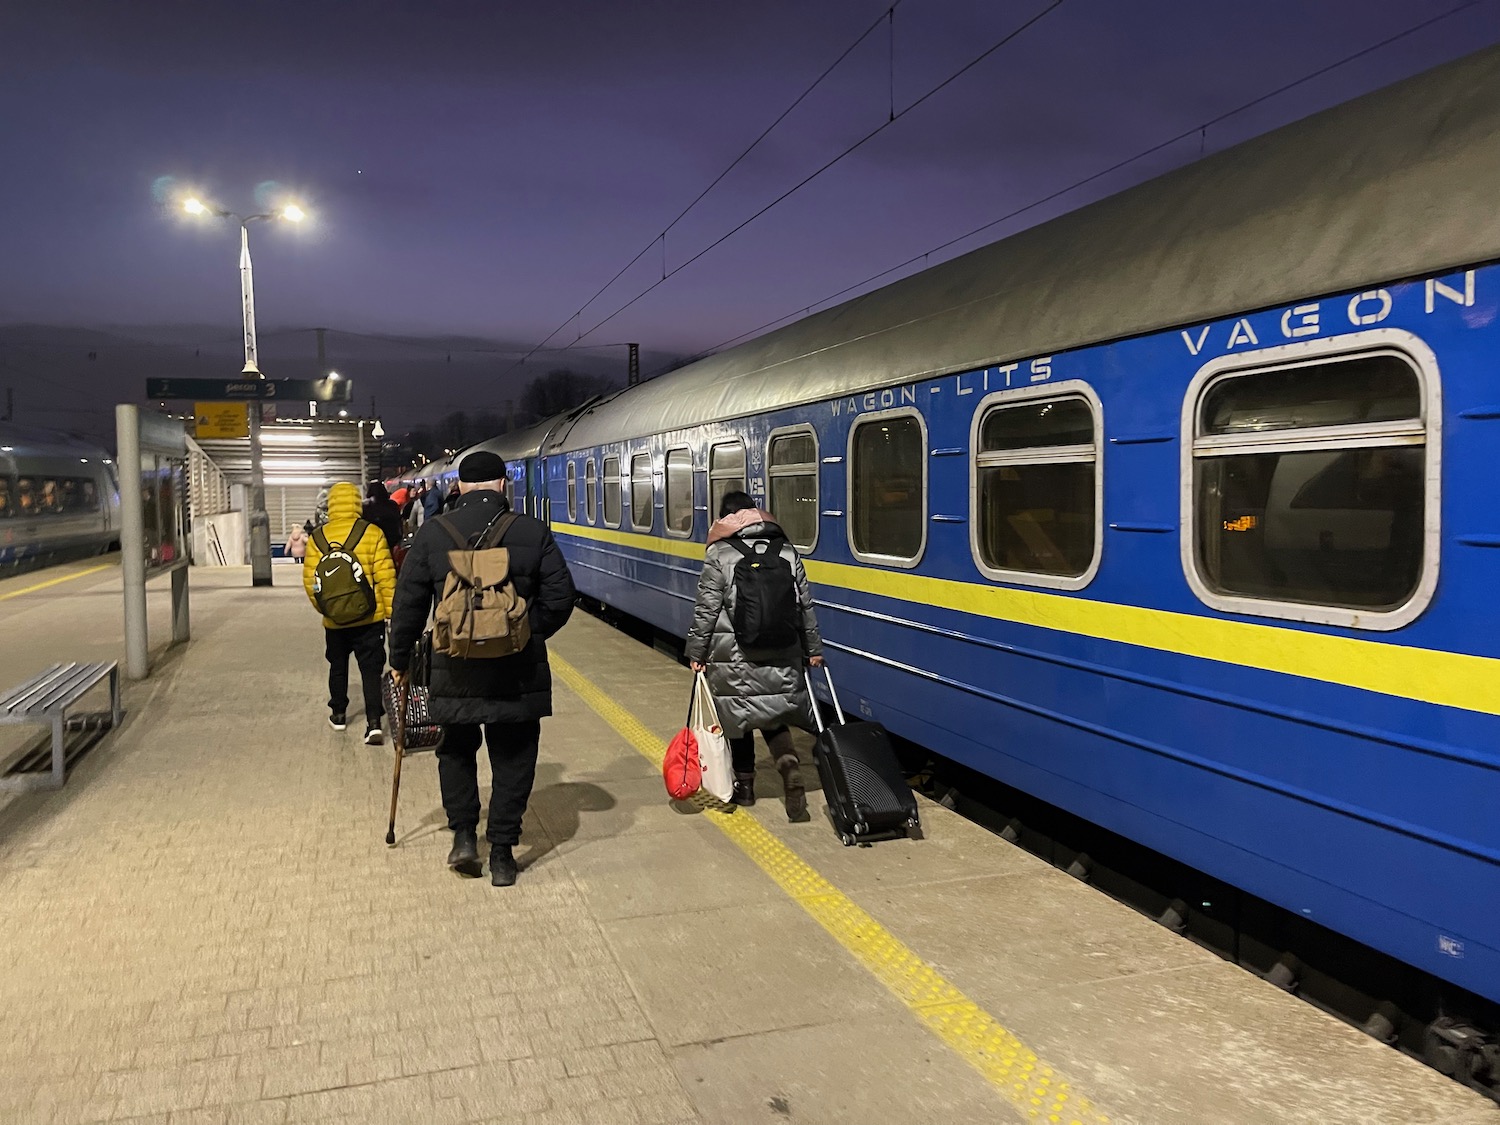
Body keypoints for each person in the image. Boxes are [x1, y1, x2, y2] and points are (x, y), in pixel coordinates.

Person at [388, 450, 576, 886]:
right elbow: (562, 597)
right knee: (514, 756)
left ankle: (464, 838)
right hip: (519, 671)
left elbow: (408, 607)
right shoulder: (531, 530)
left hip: (454, 669)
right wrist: (525, 631)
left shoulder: (433, 535)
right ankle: (505, 855)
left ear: (461, 488)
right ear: (501, 485)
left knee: (455, 751)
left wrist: (399, 662)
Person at [684, 491, 823, 821]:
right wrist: (813, 650)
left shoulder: (719, 553)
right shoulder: (787, 551)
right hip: (783, 651)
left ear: (725, 519)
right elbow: (805, 606)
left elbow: (706, 610)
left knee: (738, 722)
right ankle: (790, 770)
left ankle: (745, 789)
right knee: (774, 718)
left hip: (734, 656)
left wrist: (696, 652)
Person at [302, 481, 398, 744]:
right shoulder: (372, 533)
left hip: (335, 622)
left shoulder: (318, 537)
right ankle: (374, 723)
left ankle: (339, 714)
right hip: (371, 617)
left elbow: (311, 582)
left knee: (338, 665)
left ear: (331, 505)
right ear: (357, 503)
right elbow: (386, 578)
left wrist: (326, 608)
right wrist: (391, 613)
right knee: (371, 669)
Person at [363, 481, 405, 551]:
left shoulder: (366, 507)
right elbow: (398, 522)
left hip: (372, 542)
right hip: (390, 541)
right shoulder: (392, 505)